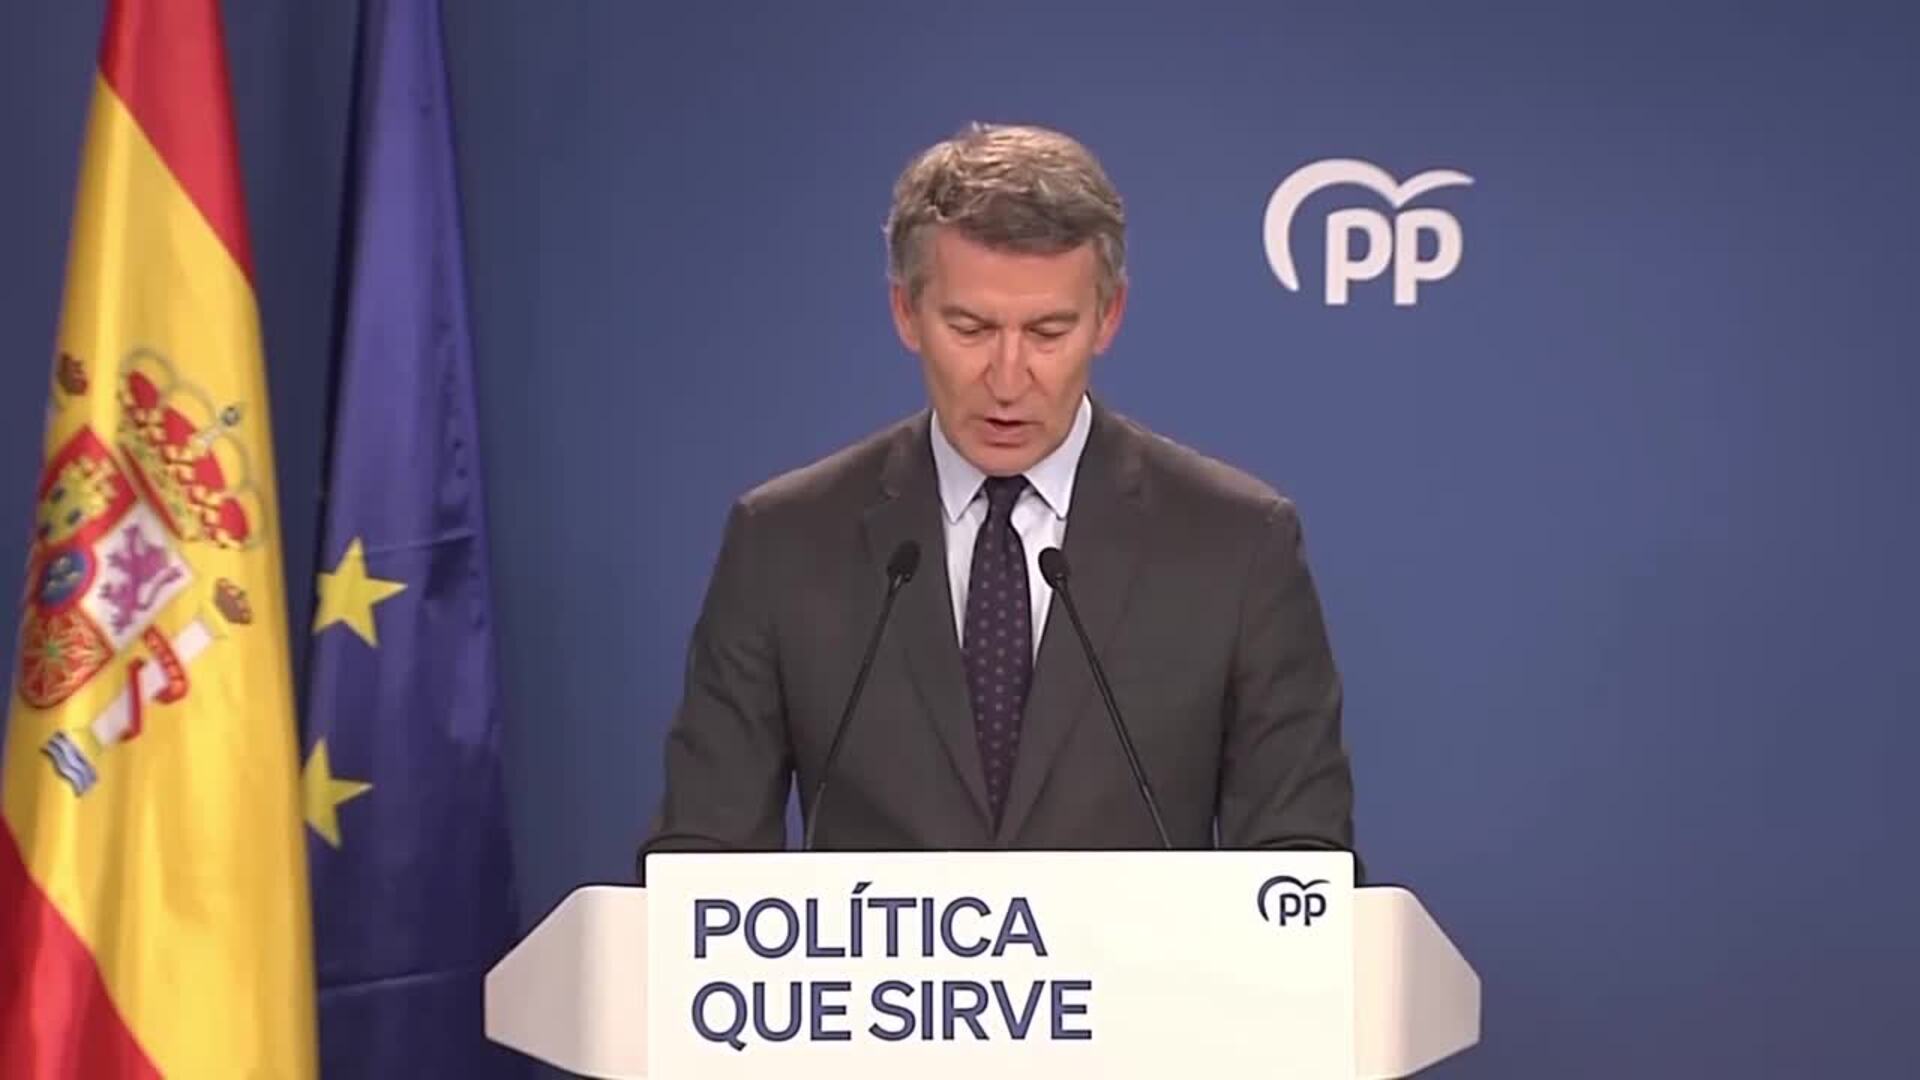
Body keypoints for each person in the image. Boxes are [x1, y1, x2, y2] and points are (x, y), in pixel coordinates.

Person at [637, 122, 1354, 872]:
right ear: (906, 313)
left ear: (1108, 317)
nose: (1008, 380)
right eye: (971, 327)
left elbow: (1303, 867)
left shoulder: (1237, 544)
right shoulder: (783, 541)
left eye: (1048, 331)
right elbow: (701, 861)